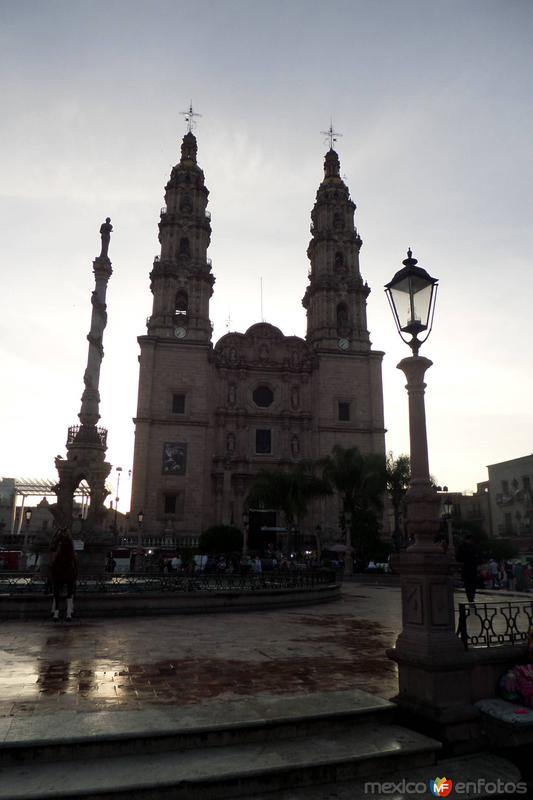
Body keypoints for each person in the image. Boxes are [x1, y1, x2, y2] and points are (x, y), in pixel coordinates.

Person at [50, 529, 78, 622]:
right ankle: (57, 610)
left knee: (75, 560)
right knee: (52, 563)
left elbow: (72, 550)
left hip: (67, 558)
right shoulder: (58, 536)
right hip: (60, 556)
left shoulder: (68, 539)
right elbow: (53, 546)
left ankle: (68, 611)